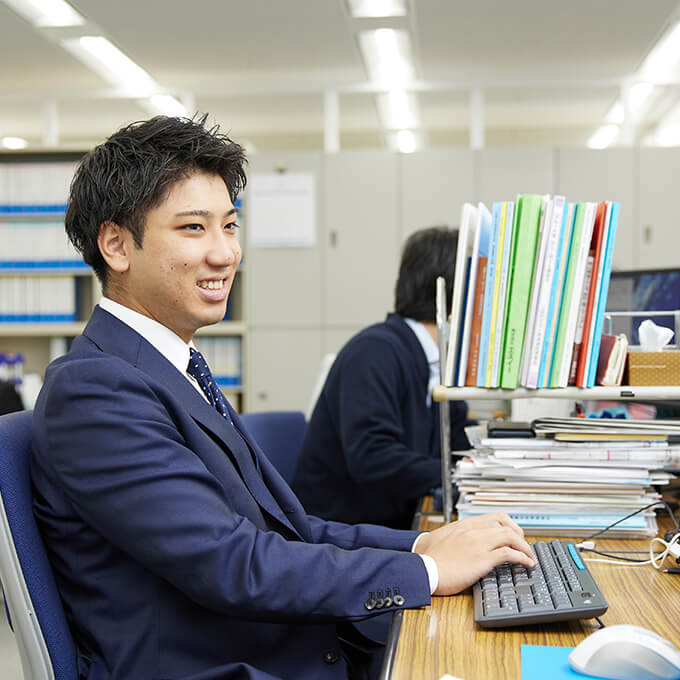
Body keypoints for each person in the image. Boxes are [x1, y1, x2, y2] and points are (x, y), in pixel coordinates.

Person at [31, 114, 535, 680]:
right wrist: (429, 574)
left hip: (290, 646)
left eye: (230, 225)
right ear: (117, 245)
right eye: (194, 229)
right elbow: (233, 564)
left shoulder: (173, 367)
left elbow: (294, 531)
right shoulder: (95, 389)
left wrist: (424, 545)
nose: (225, 254)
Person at [293, 227, 472, 529]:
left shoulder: (435, 358)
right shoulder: (376, 352)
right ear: (454, 291)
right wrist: (461, 472)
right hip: (341, 533)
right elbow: (373, 458)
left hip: (390, 523)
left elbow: (456, 438)